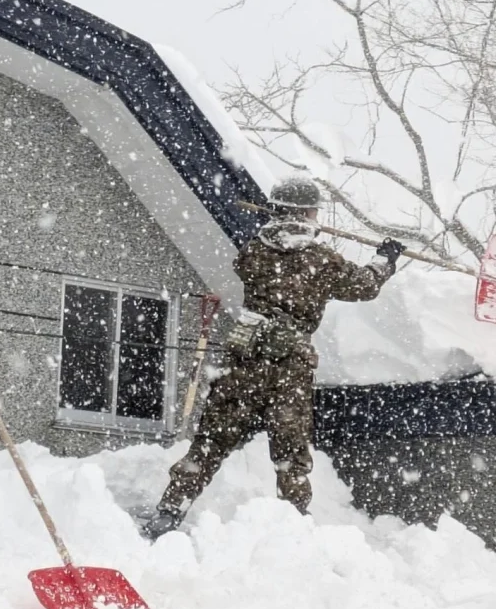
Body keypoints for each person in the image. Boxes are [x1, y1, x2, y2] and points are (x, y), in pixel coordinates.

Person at [142, 176, 404, 540]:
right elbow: (364, 285)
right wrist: (384, 259)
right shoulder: (320, 260)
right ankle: (292, 524)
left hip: (244, 360)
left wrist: (280, 227)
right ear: (307, 213)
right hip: (289, 367)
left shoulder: (254, 252)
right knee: (290, 453)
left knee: (212, 441)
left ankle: (171, 509)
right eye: (313, 212)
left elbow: (250, 262)